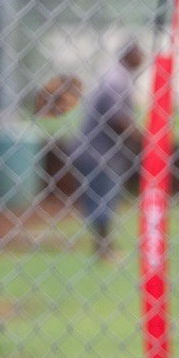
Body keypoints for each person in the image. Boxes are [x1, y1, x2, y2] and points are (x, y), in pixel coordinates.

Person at [70, 41, 146, 260]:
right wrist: (143, 139)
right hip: (98, 154)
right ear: (130, 54)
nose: (144, 58)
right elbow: (117, 119)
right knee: (102, 199)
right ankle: (103, 250)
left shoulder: (117, 76)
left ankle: (104, 246)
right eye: (140, 53)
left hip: (98, 152)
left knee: (103, 199)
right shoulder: (117, 80)